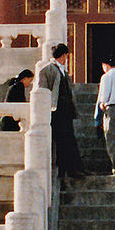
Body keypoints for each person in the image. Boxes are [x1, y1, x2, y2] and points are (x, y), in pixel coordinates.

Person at [35, 42, 84, 191]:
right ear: (63, 56)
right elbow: (42, 91)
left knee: (69, 139)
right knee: (63, 141)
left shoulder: (63, 71)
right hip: (56, 112)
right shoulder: (47, 70)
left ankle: (75, 168)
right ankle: (66, 170)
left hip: (66, 111)